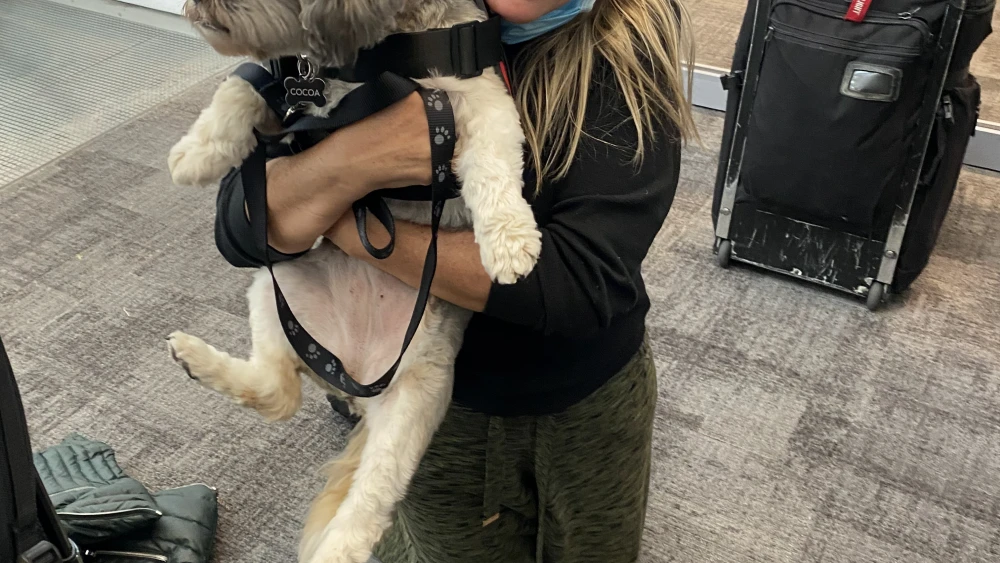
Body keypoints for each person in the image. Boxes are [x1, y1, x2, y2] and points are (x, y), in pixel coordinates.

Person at [213, 0, 697, 560]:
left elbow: (581, 283)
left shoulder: (627, 37)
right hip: (441, 409)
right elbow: (240, 229)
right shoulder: (361, 20)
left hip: (587, 398)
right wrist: (356, 160)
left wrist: (338, 218)